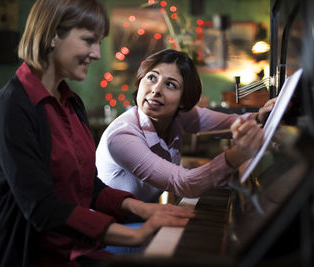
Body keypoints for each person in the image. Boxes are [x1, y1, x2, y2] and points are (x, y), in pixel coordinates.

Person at [0, 1, 195, 266]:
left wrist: (145, 209)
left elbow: (88, 185)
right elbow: (42, 208)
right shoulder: (10, 108)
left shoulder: (71, 103)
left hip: (72, 250)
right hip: (26, 256)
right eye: (88, 41)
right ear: (53, 35)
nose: (96, 53)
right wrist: (134, 236)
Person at [96, 49, 276, 203]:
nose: (156, 90)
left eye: (170, 84)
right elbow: (183, 183)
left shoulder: (182, 116)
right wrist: (237, 155)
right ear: (140, 80)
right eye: (151, 77)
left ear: (183, 100)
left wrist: (261, 116)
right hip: (114, 230)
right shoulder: (122, 136)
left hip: (144, 218)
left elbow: (232, 123)